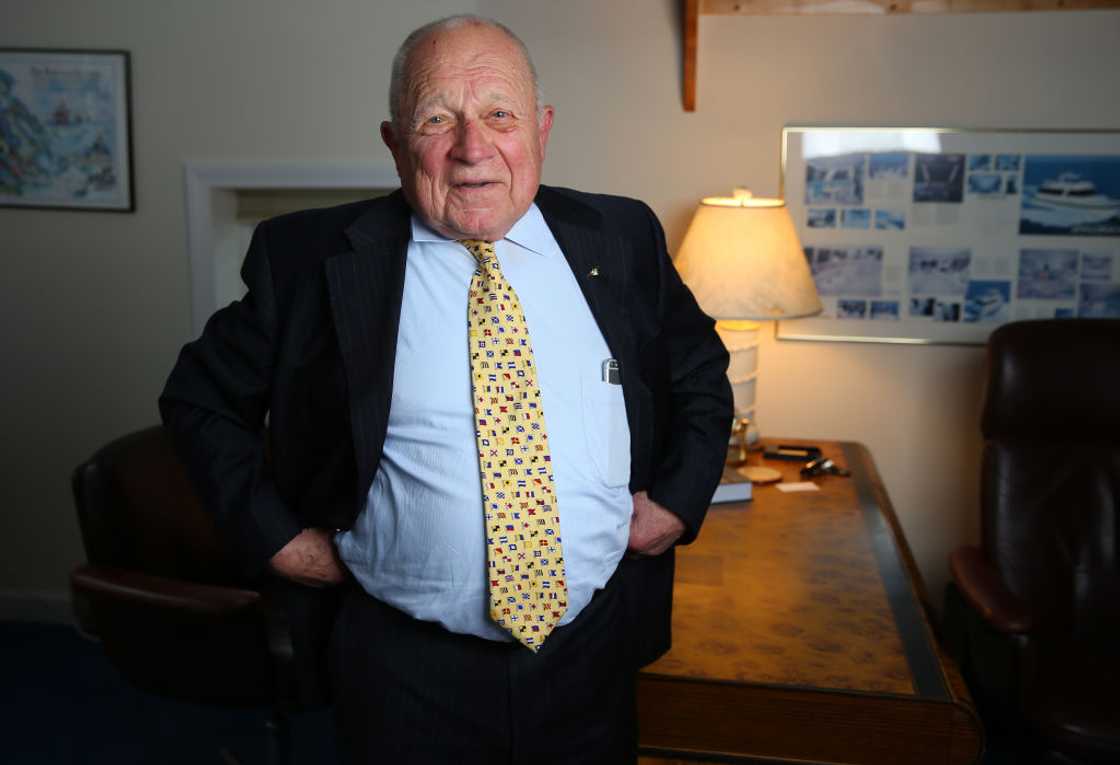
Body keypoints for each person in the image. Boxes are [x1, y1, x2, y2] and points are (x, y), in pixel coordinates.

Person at [161, 14, 731, 765]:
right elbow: (199, 399)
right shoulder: (309, 258)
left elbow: (699, 371)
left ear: (542, 128)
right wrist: (278, 539)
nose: (472, 149)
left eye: (500, 114)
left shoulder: (620, 238)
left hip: (591, 650)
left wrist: (677, 504)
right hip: (403, 670)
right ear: (396, 142)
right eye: (437, 119)